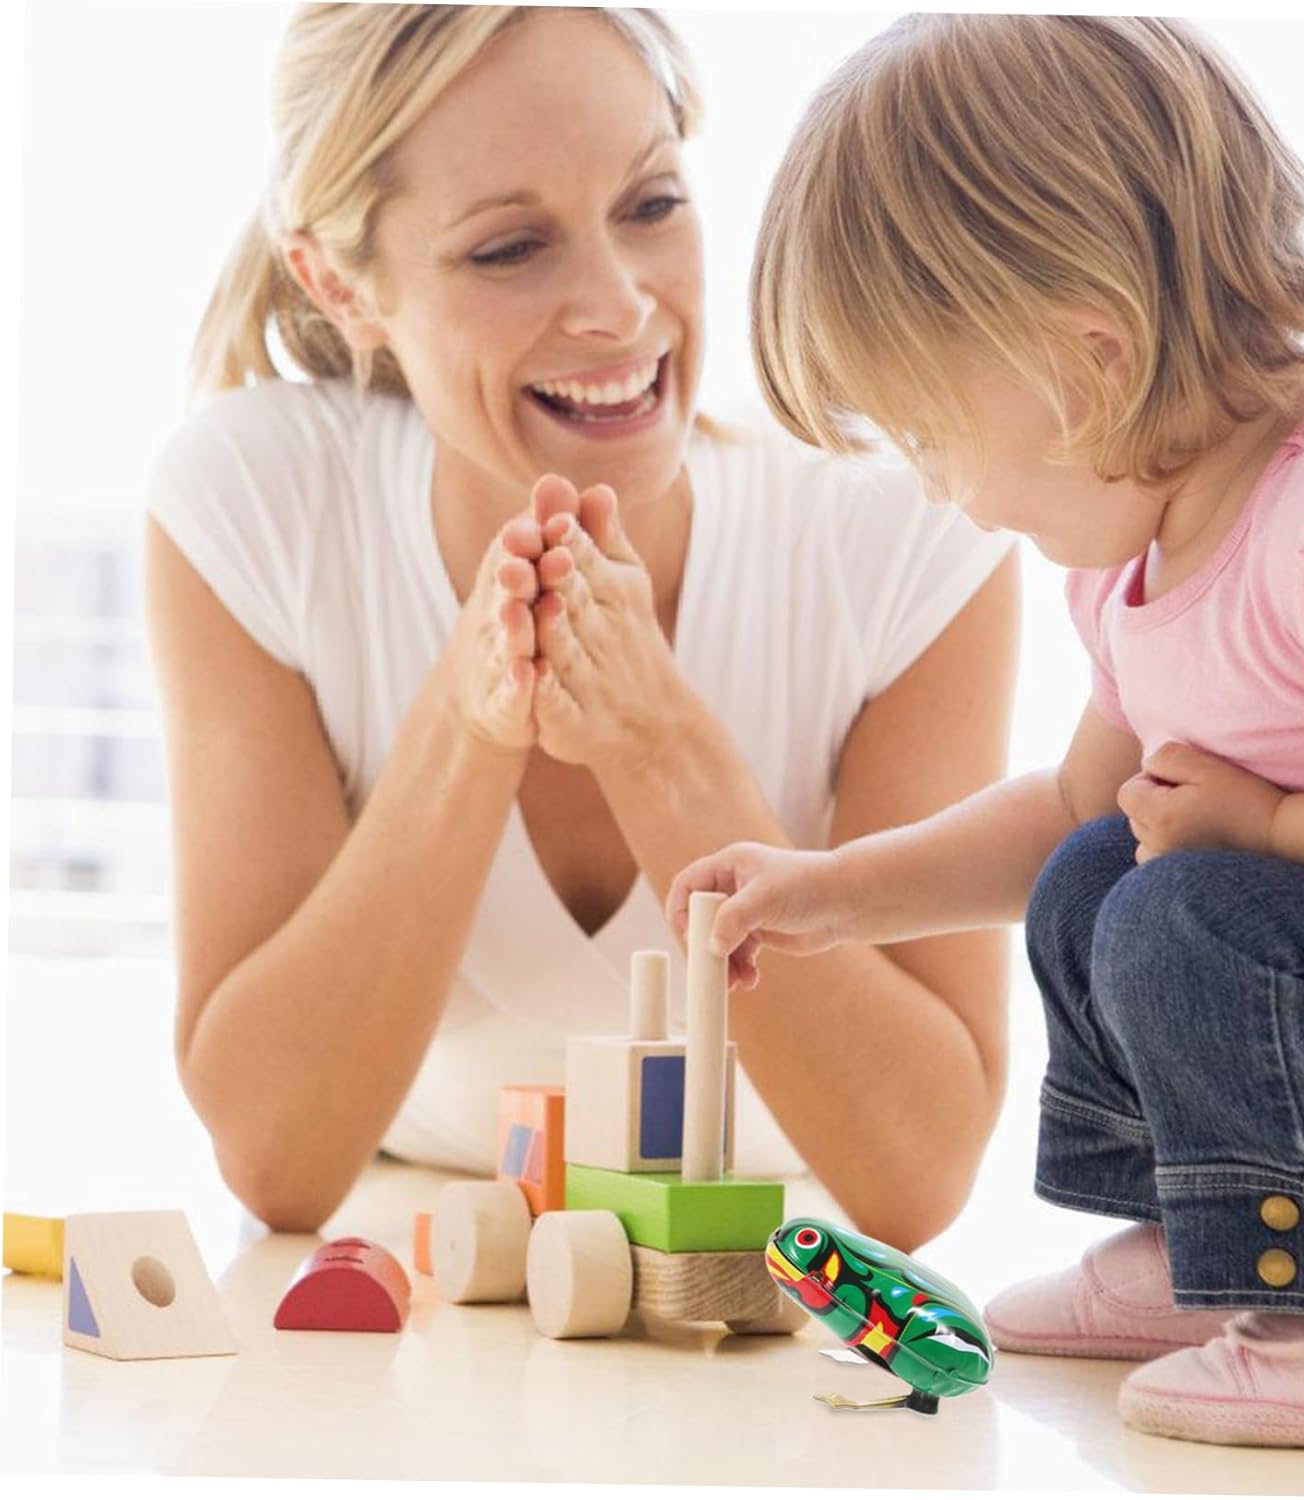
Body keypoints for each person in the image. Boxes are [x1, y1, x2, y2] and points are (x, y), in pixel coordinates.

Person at [668, 15, 1304, 1450]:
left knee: (1183, 909)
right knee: (1099, 872)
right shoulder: (1135, 557)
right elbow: (1069, 808)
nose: (942, 492)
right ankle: (1214, 1241)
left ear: (1088, 362)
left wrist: (1276, 828)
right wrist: (832, 894)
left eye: (932, 435)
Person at [141, 4, 1018, 1244]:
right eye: (509, 249)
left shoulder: (903, 526)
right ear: (339, 284)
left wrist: (658, 746)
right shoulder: (261, 502)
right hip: (427, 1275)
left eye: (651, 204)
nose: (617, 306)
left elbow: (914, 1177)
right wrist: (468, 724)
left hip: (766, 1289)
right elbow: (278, 1160)